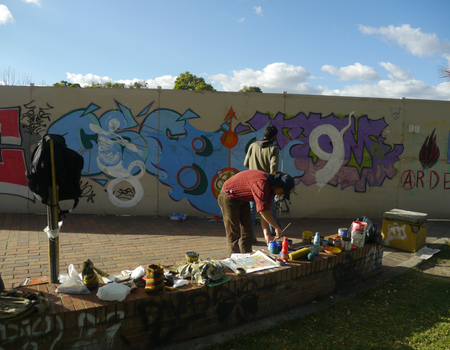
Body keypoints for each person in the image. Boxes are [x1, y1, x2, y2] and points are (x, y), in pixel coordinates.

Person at [218, 170, 295, 256]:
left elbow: (265, 211)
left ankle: (247, 259)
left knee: (247, 233)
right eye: (282, 191)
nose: (281, 195)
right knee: (234, 233)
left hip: (242, 198)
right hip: (229, 196)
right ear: (278, 185)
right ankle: (236, 263)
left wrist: (267, 235)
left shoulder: (272, 190)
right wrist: (276, 227)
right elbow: (262, 211)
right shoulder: (261, 183)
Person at [243, 125, 280, 242]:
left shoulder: (252, 145)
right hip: (265, 184)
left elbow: (246, 164)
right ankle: (275, 231)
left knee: (252, 210)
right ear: (273, 136)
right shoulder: (273, 149)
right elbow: (273, 170)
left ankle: (250, 236)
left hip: (251, 182)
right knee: (268, 207)